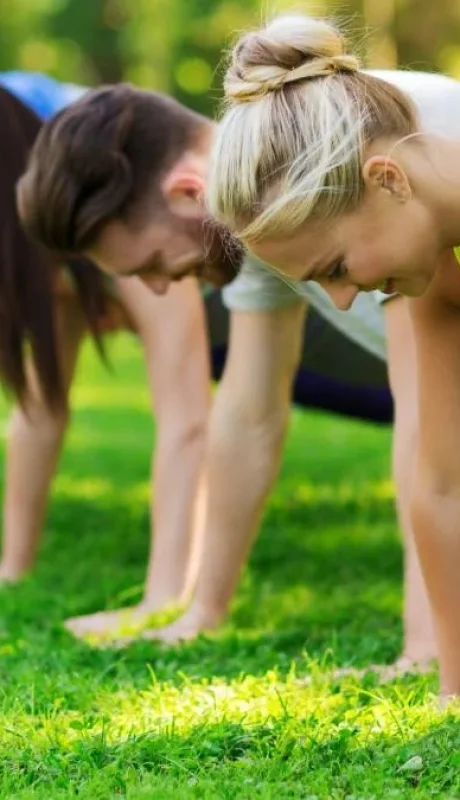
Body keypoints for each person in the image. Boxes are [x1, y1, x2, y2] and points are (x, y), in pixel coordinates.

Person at [16, 78, 436, 673]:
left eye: (152, 263)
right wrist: (202, 613)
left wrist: (426, 648)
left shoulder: (336, 152)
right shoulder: (260, 209)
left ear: (187, 192)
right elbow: (249, 413)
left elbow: (428, 420)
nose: (158, 288)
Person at [204, 13, 460, 700]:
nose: (343, 303)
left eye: (336, 267)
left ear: (388, 180)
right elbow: (442, 486)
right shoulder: (438, 270)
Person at [0, 79, 210, 631]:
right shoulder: (63, 242)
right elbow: (40, 406)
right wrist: (12, 570)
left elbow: (187, 422)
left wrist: (162, 600)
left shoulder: (127, 213)